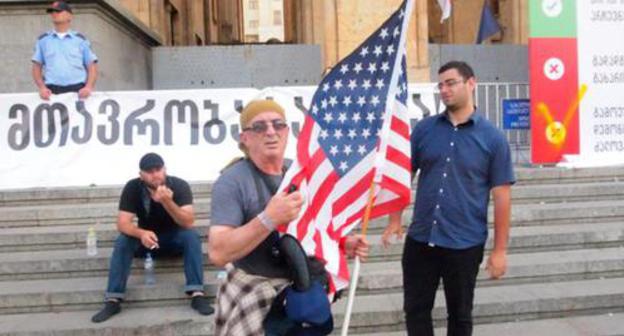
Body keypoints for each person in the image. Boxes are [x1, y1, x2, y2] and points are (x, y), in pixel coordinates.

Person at [208, 100, 369, 335]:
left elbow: (314, 224)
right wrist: (268, 219)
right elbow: (218, 252)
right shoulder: (232, 181)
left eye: (278, 124)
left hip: (301, 295)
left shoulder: (298, 171)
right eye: (259, 126)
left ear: (286, 132)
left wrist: (344, 243)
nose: (271, 131)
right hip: (254, 293)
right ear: (245, 138)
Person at [382, 61, 515, 336]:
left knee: (460, 316)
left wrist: (500, 251)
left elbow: (502, 197)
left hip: (465, 243)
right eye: (440, 84)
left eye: (451, 82)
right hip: (421, 239)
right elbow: (402, 175)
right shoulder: (424, 130)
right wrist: (394, 219)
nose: (444, 89)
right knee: (416, 311)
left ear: (471, 83)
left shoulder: (493, 138)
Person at [91, 152, 214, 323]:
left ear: (165, 169)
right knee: (123, 240)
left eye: (158, 169)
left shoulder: (179, 185)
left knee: (191, 236)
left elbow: (188, 222)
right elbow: (122, 223)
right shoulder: (133, 187)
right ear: (141, 175)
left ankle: (197, 293)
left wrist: (167, 202)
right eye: (149, 171)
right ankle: (113, 299)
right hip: (146, 241)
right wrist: (141, 233)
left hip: (173, 240)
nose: (155, 174)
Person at [31, 1, 98, 100]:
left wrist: (88, 87)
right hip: (52, 90)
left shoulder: (80, 40)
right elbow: (36, 67)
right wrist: (42, 88)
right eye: (52, 12)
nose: (54, 14)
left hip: (77, 90)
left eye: (58, 11)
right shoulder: (43, 40)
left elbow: (92, 66)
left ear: (69, 16)